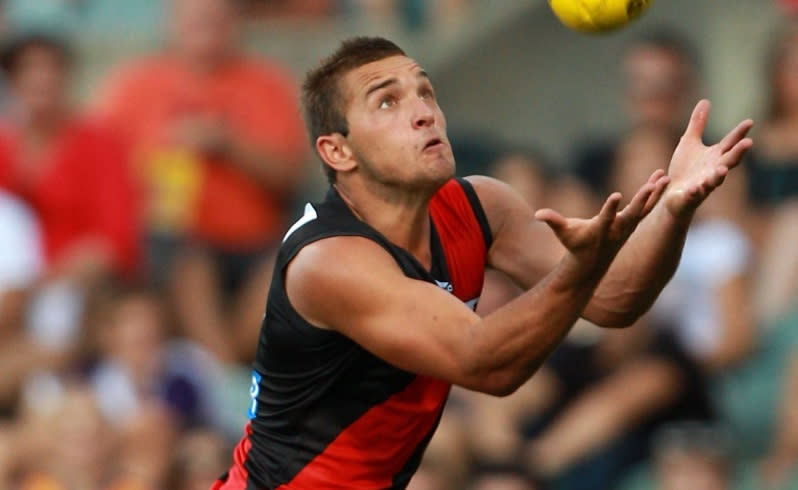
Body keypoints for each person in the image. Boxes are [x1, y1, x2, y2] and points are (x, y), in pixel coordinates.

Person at [215, 37, 753, 489]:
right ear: (338, 152)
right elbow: (487, 364)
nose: (424, 111)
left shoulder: (480, 207)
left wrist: (675, 208)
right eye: (387, 102)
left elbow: (615, 300)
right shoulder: (329, 260)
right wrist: (580, 268)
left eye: (425, 91)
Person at [97, 0, 307, 363]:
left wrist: (229, 143)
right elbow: (101, 171)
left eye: (216, 16)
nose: (206, 26)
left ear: (234, 23)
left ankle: (225, 368)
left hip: (256, 241)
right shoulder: (135, 85)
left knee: (292, 264)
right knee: (191, 265)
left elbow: (289, 174)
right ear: (173, 21)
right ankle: (226, 376)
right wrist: (153, 163)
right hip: (171, 242)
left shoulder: (265, 83)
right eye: (195, 17)